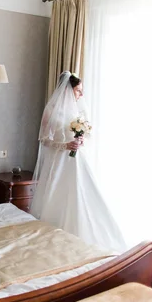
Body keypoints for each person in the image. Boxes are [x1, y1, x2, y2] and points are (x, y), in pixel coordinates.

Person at [30, 71, 127, 252]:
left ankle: (86, 235)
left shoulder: (76, 110)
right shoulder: (50, 111)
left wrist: (81, 139)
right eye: (78, 90)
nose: (81, 94)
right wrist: (65, 145)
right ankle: (55, 237)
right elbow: (44, 140)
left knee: (83, 193)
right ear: (68, 90)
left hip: (76, 161)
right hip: (59, 162)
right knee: (60, 195)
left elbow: (83, 132)